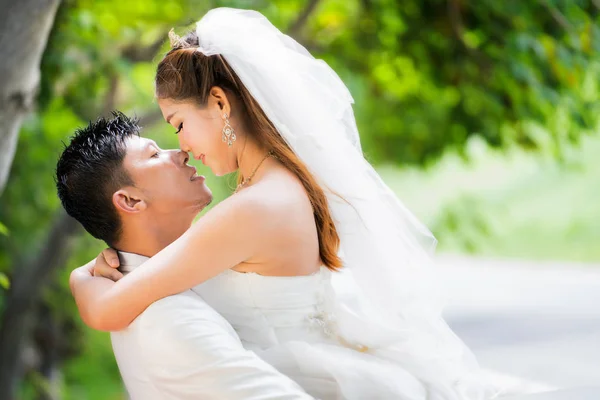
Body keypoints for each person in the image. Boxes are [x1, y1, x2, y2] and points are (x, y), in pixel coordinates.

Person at [68, 8, 540, 399]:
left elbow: (107, 311)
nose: (183, 146)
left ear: (219, 103)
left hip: (301, 377)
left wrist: (81, 278)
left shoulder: (251, 208)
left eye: (178, 124)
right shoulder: (276, 184)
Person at [57, 113, 313, 399]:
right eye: (154, 154)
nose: (181, 152)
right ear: (130, 200)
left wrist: (81, 277)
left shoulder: (150, 284)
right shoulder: (171, 321)